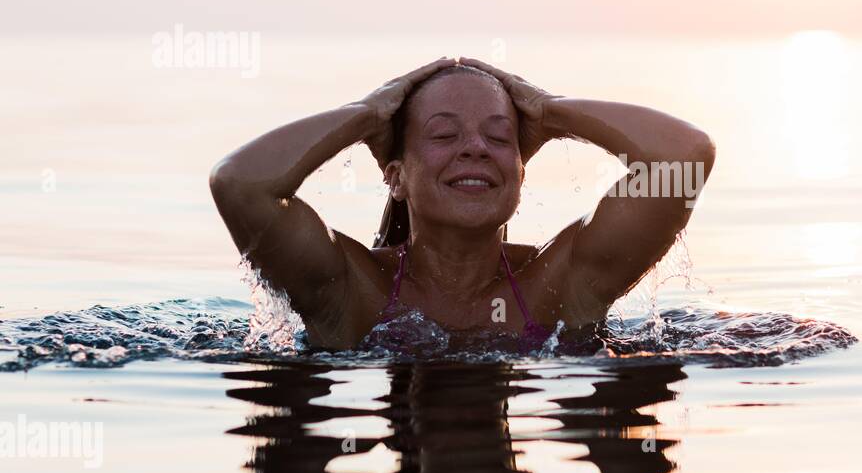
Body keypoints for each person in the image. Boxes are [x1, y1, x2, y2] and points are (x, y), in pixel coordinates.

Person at [209, 57, 715, 351]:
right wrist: (365, 115)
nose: (474, 147)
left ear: (521, 171)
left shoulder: (561, 283)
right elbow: (240, 183)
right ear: (397, 177)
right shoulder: (350, 289)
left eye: (499, 138)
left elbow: (685, 157)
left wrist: (548, 109)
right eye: (444, 133)